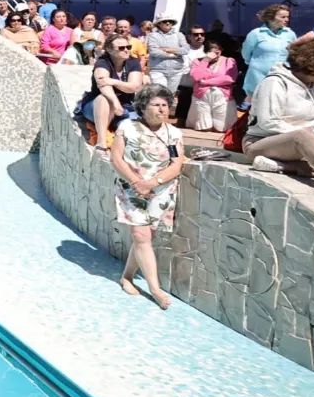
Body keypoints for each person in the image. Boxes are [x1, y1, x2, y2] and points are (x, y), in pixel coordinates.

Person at [109, 85, 184, 310]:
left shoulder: (173, 133)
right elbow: (116, 158)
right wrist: (136, 183)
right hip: (131, 189)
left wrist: (152, 183)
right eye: (156, 105)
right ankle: (155, 288)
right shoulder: (127, 127)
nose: (162, 109)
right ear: (143, 107)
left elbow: (177, 163)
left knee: (145, 237)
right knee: (141, 235)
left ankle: (127, 276)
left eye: (165, 105)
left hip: (160, 190)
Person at [243, 39, 314, 190]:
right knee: (303, 136)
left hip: (302, 147)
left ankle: (288, 167)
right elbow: (268, 122)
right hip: (260, 143)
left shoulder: (310, 86)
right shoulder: (275, 82)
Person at [80, 34, 144, 150]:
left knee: (134, 131)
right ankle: (101, 141)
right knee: (103, 98)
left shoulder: (133, 62)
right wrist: (116, 104)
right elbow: (103, 85)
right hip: (97, 107)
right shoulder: (102, 62)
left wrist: (113, 81)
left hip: (126, 107)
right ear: (109, 49)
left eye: (128, 47)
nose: (126, 50)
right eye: (121, 48)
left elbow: (134, 86)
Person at [241, 3, 296, 100]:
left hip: (282, 78)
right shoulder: (256, 34)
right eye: (283, 17)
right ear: (271, 17)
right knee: (260, 111)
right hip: (259, 78)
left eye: (287, 17)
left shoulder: (290, 34)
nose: (287, 20)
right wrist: (259, 64)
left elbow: (293, 53)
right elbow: (246, 54)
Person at [186, 41, 238, 132]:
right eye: (213, 52)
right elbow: (196, 76)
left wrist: (206, 82)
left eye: (218, 51)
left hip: (223, 98)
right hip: (201, 97)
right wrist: (206, 60)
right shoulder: (197, 61)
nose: (216, 54)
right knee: (203, 128)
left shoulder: (228, 61)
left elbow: (229, 78)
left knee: (222, 128)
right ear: (206, 52)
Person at [145, 15, 190, 96]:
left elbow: (186, 50)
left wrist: (166, 49)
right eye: (165, 21)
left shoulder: (179, 35)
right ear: (159, 24)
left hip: (176, 71)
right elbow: (154, 51)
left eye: (170, 21)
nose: (168, 23)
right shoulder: (153, 35)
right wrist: (175, 54)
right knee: (160, 93)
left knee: (170, 95)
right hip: (158, 70)